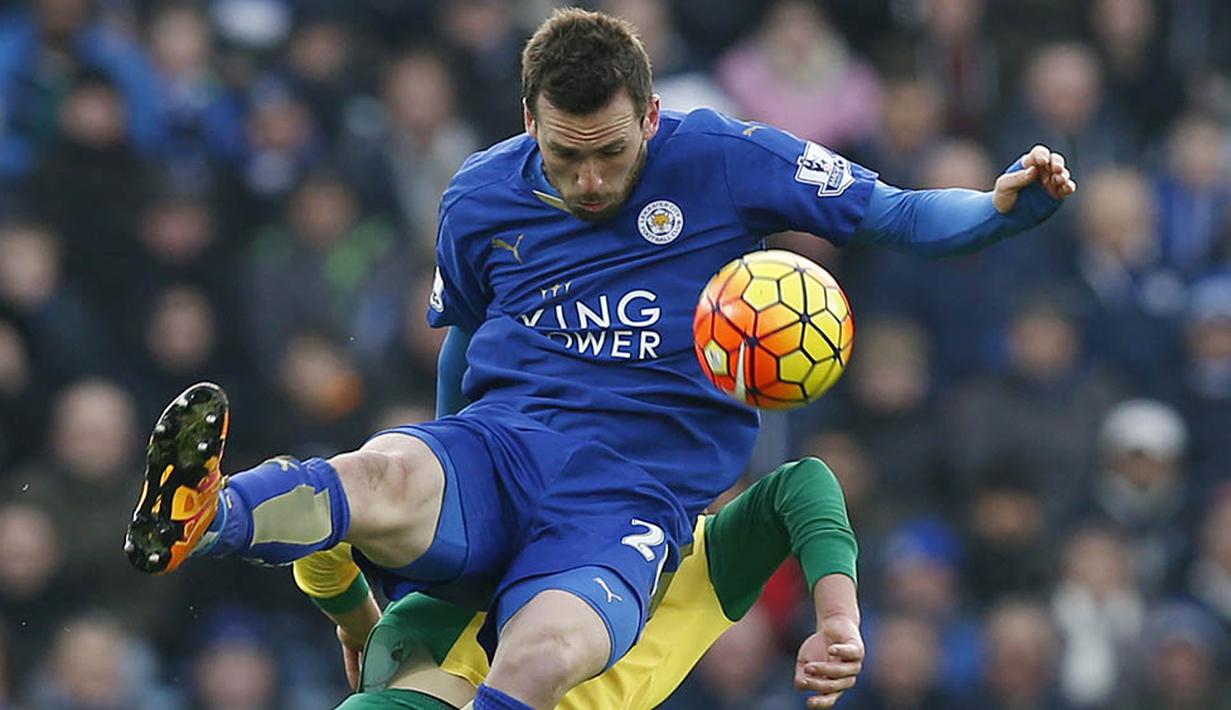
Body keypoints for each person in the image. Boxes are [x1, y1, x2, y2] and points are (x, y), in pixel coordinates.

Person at [124, 9, 1075, 710]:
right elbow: (462, 342)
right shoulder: (478, 196)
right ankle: (204, 516)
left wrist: (999, 212)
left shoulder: (727, 158)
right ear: (527, 120)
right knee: (382, 469)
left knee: (540, 657)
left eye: (610, 153)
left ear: (650, 116)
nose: (587, 180)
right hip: (502, 447)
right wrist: (445, 465)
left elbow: (896, 212)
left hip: (626, 499)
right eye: (562, 155)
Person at [299, 457, 859, 709]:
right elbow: (325, 526)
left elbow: (803, 485)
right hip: (420, 695)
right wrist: (358, 626)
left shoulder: (708, 554)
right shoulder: (523, 473)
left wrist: (837, 618)